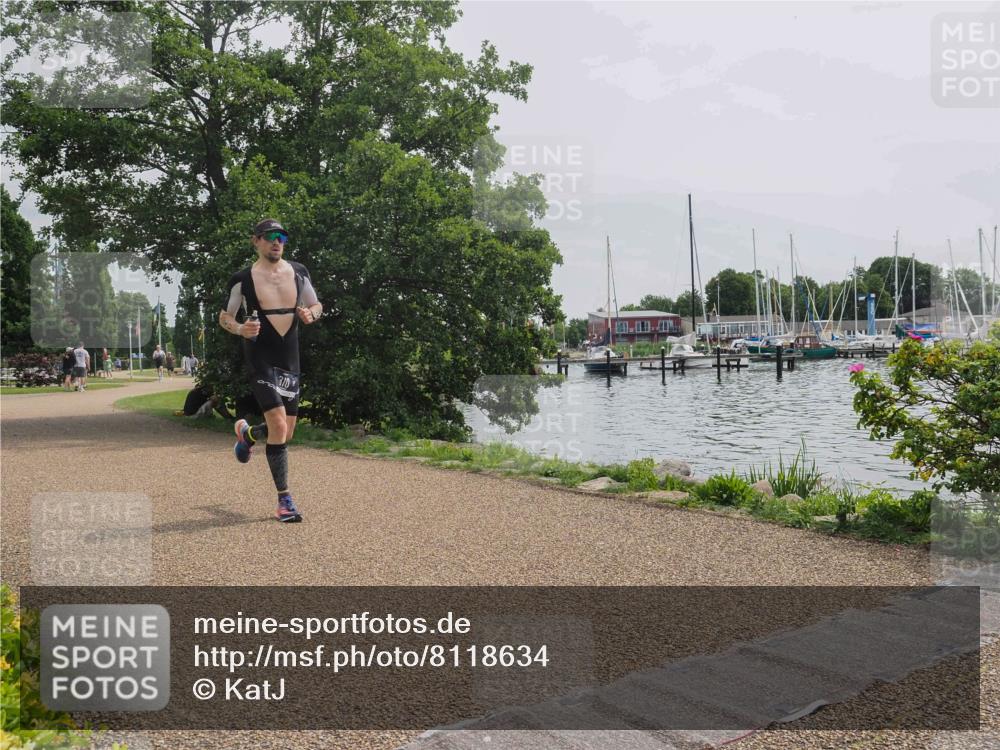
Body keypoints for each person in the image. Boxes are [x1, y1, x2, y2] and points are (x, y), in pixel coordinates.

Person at [219, 218, 322, 522]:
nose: (277, 241)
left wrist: (310, 314)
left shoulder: (300, 272)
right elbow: (225, 316)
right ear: (256, 241)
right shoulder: (243, 279)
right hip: (260, 354)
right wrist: (240, 329)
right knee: (278, 426)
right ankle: (284, 501)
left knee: (286, 431)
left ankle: (248, 434)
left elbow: (317, 305)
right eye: (270, 236)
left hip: (289, 356)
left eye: (282, 237)